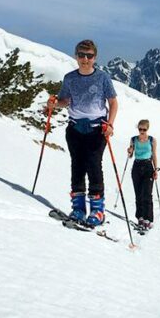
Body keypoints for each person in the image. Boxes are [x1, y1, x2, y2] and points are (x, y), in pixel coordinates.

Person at [48, 40, 118, 227]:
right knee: (77, 166)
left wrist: (110, 124)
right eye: (81, 55)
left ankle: (97, 210)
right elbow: (65, 101)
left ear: (95, 58)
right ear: (75, 55)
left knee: (94, 165)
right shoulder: (69, 78)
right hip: (75, 128)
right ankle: (78, 208)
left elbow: (113, 102)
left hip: (97, 129)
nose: (85, 59)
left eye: (89, 56)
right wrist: (55, 104)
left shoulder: (102, 77)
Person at [127, 120, 159, 230]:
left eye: (144, 129)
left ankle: (148, 219)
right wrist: (130, 151)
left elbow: (154, 154)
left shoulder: (151, 140)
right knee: (138, 194)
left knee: (147, 194)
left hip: (148, 167)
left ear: (147, 129)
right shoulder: (133, 139)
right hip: (136, 166)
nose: (141, 131)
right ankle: (140, 217)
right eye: (140, 129)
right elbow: (130, 156)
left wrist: (156, 169)